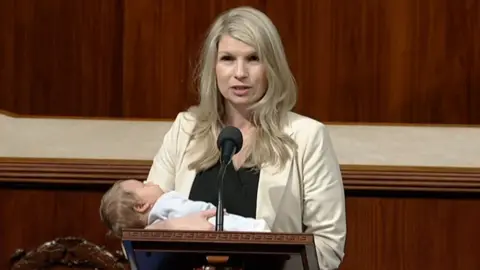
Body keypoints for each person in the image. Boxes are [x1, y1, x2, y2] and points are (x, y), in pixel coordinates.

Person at [144, 6, 346, 270]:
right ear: (213, 67)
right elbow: (146, 220)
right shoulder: (185, 129)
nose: (240, 73)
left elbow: (327, 246)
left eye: (253, 58)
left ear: (271, 67)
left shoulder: (307, 137)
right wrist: (175, 226)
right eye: (228, 58)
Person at [99, 179, 271, 237]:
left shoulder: (157, 220)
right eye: (143, 186)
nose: (149, 182)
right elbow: (191, 212)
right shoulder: (165, 203)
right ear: (141, 206)